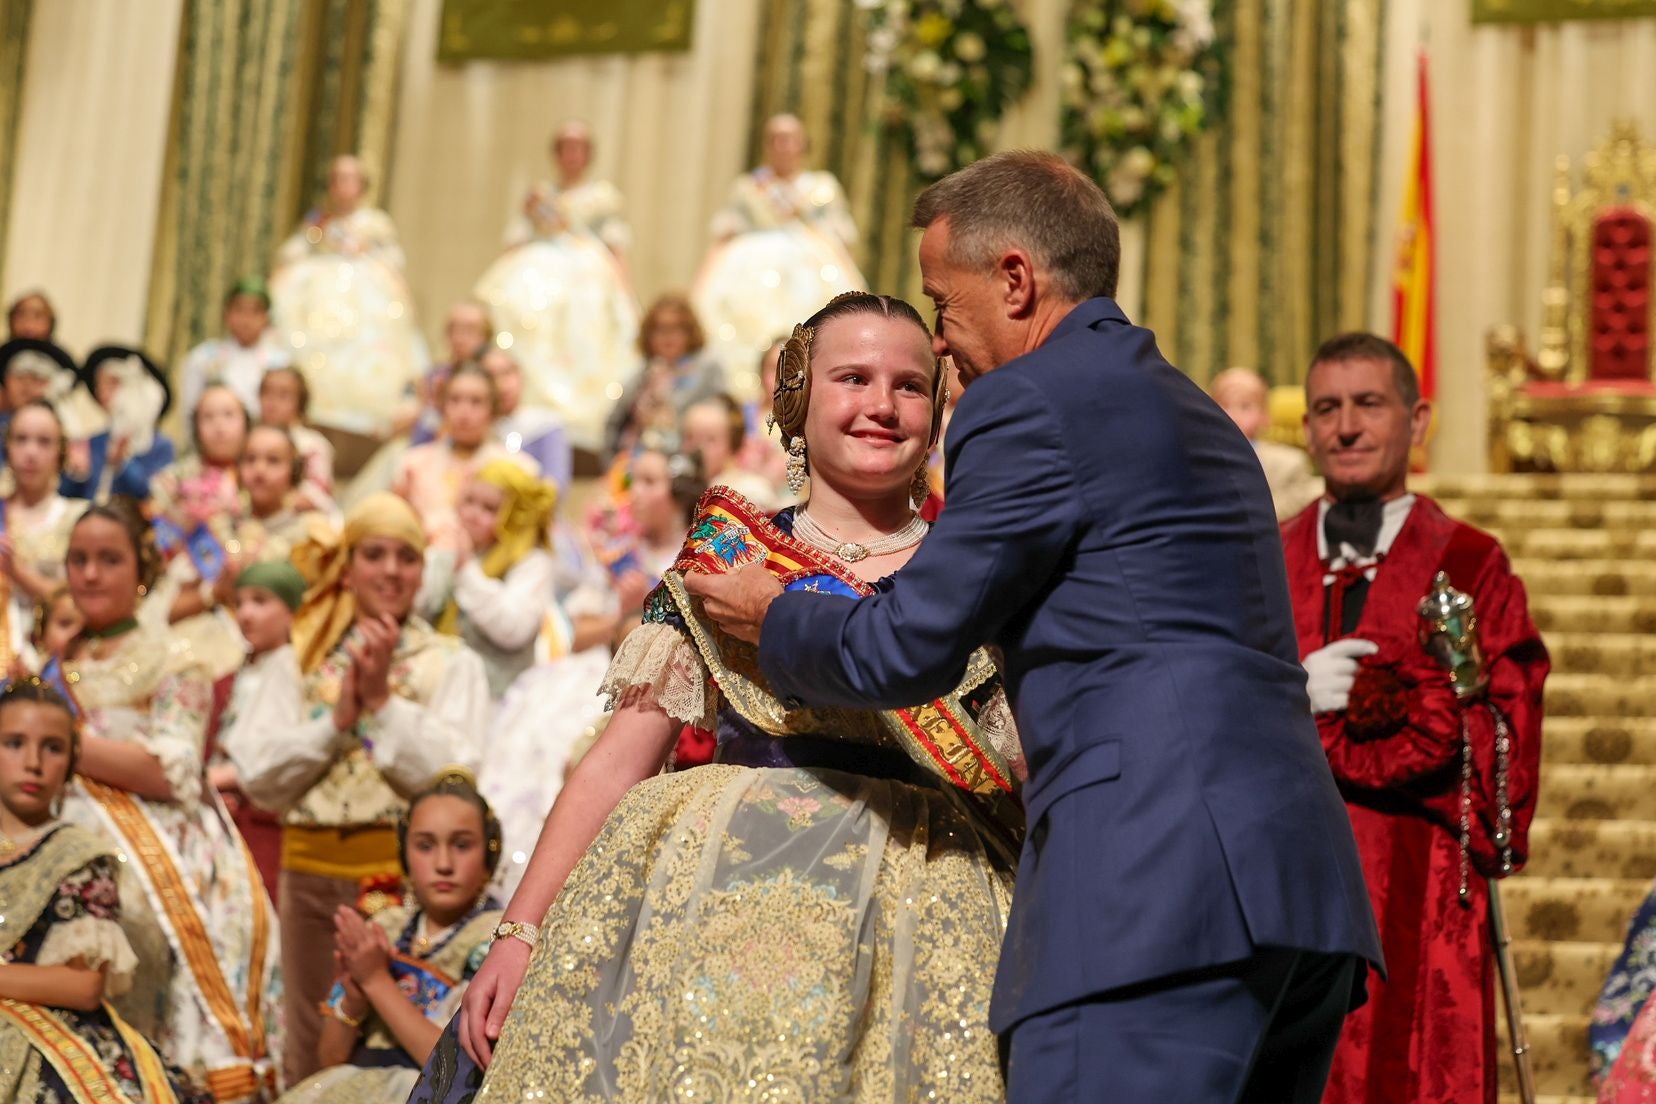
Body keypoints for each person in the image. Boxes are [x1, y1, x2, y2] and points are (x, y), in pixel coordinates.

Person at [684, 151, 1381, 1103]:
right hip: (1297, 889)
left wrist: (777, 615)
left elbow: (904, 648)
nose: (940, 343)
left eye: (942, 302)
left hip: (1152, 895)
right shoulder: (1198, 413)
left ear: (1015, 279)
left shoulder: (1029, 402)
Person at [410, 291, 1021, 1104]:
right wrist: (518, 935)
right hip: (698, 912)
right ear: (798, 402)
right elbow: (615, 763)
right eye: (852, 378)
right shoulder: (725, 555)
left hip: (914, 926)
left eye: (910, 385)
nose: (882, 404)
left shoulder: (980, 572)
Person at [1279, 332, 1547, 1104]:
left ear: (1417, 420)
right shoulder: (1265, 556)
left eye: (1369, 404)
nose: (1347, 427)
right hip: (1287, 889)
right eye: (1327, 408)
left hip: (1423, 895)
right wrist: (1283, 699)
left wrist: (1396, 720)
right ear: (1308, 430)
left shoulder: (1471, 564)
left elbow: (1510, 736)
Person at [225, 492, 488, 1089]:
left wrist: (381, 705)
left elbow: (459, 774)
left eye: (406, 556)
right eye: (374, 554)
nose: (391, 571)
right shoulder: (300, 657)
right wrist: (336, 721)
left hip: (408, 883)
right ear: (346, 568)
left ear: (424, 570)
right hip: (308, 873)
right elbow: (258, 775)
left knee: (393, 1044)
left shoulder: (448, 661)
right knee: (306, 1038)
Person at [56, 498, 281, 1102]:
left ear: (143, 570)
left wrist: (60, 742)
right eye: (78, 560)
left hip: (158, 844)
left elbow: (170, 771)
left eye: (109, 559)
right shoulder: (56, 658)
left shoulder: (177, 654)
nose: (91, 575)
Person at [0, 677, 211, 1104]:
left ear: (73, 763)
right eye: (14, 743)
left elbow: (82, 986)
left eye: (53, 748)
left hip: (47, 1032)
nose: (33, 763)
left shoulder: (78, 855)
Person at [279, 769, 504, 1104]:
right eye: (425, 846)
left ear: (488, 854)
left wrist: (375, 981)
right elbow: (330, 1058)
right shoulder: (387, 927)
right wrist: (354, 999)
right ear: (404, 856)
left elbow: (454, 1064)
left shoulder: (493, 939)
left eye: (461, 845)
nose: (443, 863)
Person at [476, 123, 640, 449]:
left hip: (588, 274)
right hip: (536, 271)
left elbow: (615, 248)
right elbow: (518, 238)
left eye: (578, 148)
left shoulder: (600, 198)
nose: (572, 155)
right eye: (566, 147)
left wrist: (628, 293)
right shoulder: (539, 195)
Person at [692, 114, 864, 399]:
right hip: (751, 270)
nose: (783, 146)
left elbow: (840, 240)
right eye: (775, 139)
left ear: (802, 144)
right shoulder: (748, 188)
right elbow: (724, 236)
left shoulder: (822, 187)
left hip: (813, 268)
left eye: (789, 139)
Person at [271, 154, 425, 434]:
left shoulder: (374, 221)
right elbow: (295, 249)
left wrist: (365, 253)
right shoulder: (319, 218)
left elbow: (392, 258)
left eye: (349, 179)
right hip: (319, 290)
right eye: (337, 179)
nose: (342, 186)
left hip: (362, 292)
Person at [206, 560, 308, 902]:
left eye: (261, 601)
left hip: (262, 821)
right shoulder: (232, 677)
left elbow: (281, 749)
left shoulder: (295, 671)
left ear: (293, 611)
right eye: (240, 603)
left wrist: (220, 778)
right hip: (222, 817)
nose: (246, 614)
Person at [419, 459, 557, 699]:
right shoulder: (454, 545)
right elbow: (421, 608)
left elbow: (513, 628)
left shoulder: (531, 562)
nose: (473, 514)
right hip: (436, 684)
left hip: (496, 698)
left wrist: (465, 570)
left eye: (490, 509)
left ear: (515, 515)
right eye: (469, 501)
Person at [393, 364, 537, 553]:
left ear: (492, 410)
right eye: (455, 400)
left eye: (476, 402)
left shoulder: (518, 469)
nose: (464, 412)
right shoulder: (413, 463)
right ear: (443, 406)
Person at [0, 403, 83, 664]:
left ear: (61, 452)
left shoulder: (78, 518)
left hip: (53, 658)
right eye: (21, 439)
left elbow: (82, 602)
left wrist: (18, 574)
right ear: (7, 447)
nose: (31, 452)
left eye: (44, 442)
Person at [604, 293, 724, 458]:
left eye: (676, 328)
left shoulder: (708, 370)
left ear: (690, 332)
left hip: (686, 462)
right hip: (632, 463)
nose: (668, 336)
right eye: (660, 329)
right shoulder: (641, 374)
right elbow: (614, 425)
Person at [59, 346, 175, 503]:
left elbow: (153, 497)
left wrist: (123, 463)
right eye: (99, 384)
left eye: (113, 383)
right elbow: (66, 496)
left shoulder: (160, 446)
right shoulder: (93, 443)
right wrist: (76, 474)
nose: (102, 392)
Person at [1210, 366, 1322, 521]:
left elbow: (1287, 511)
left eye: (1245, 406)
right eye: (1223, 405)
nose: (1232, 415)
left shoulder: (1290, 465)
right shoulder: (1199, 460)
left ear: (1265, 416)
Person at [179, 277, 291, 417]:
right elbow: (190, 410)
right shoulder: (203, 357)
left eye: (255, 312)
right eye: (239, 310)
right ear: (226, 314)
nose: (246, 319)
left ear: (266, 318)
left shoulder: (280, 364)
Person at [480, 346, 571, 494]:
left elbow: (555, 486)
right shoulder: (477, 430)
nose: (501, 384)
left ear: (520, 375)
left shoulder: (545, 424)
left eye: (507, 373)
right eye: (491, 376)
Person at [405, 300, 495, 447]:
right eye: (454, 328)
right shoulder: (433, 376)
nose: (459, 337)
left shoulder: (495, 375)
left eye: (469, 329)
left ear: (486, 335)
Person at [680, 393, 780, 509]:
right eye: (690, 437)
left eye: (710, 440)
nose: (697, 448)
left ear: (732, 445)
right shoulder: (677, 489)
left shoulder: (748, 493)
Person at [257, 365, 335, 510]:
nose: (272, 402)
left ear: (300, 403)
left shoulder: (312, 445)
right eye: (266, 392)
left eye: (283, 395)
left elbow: (319, 495)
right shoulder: (249, 440)